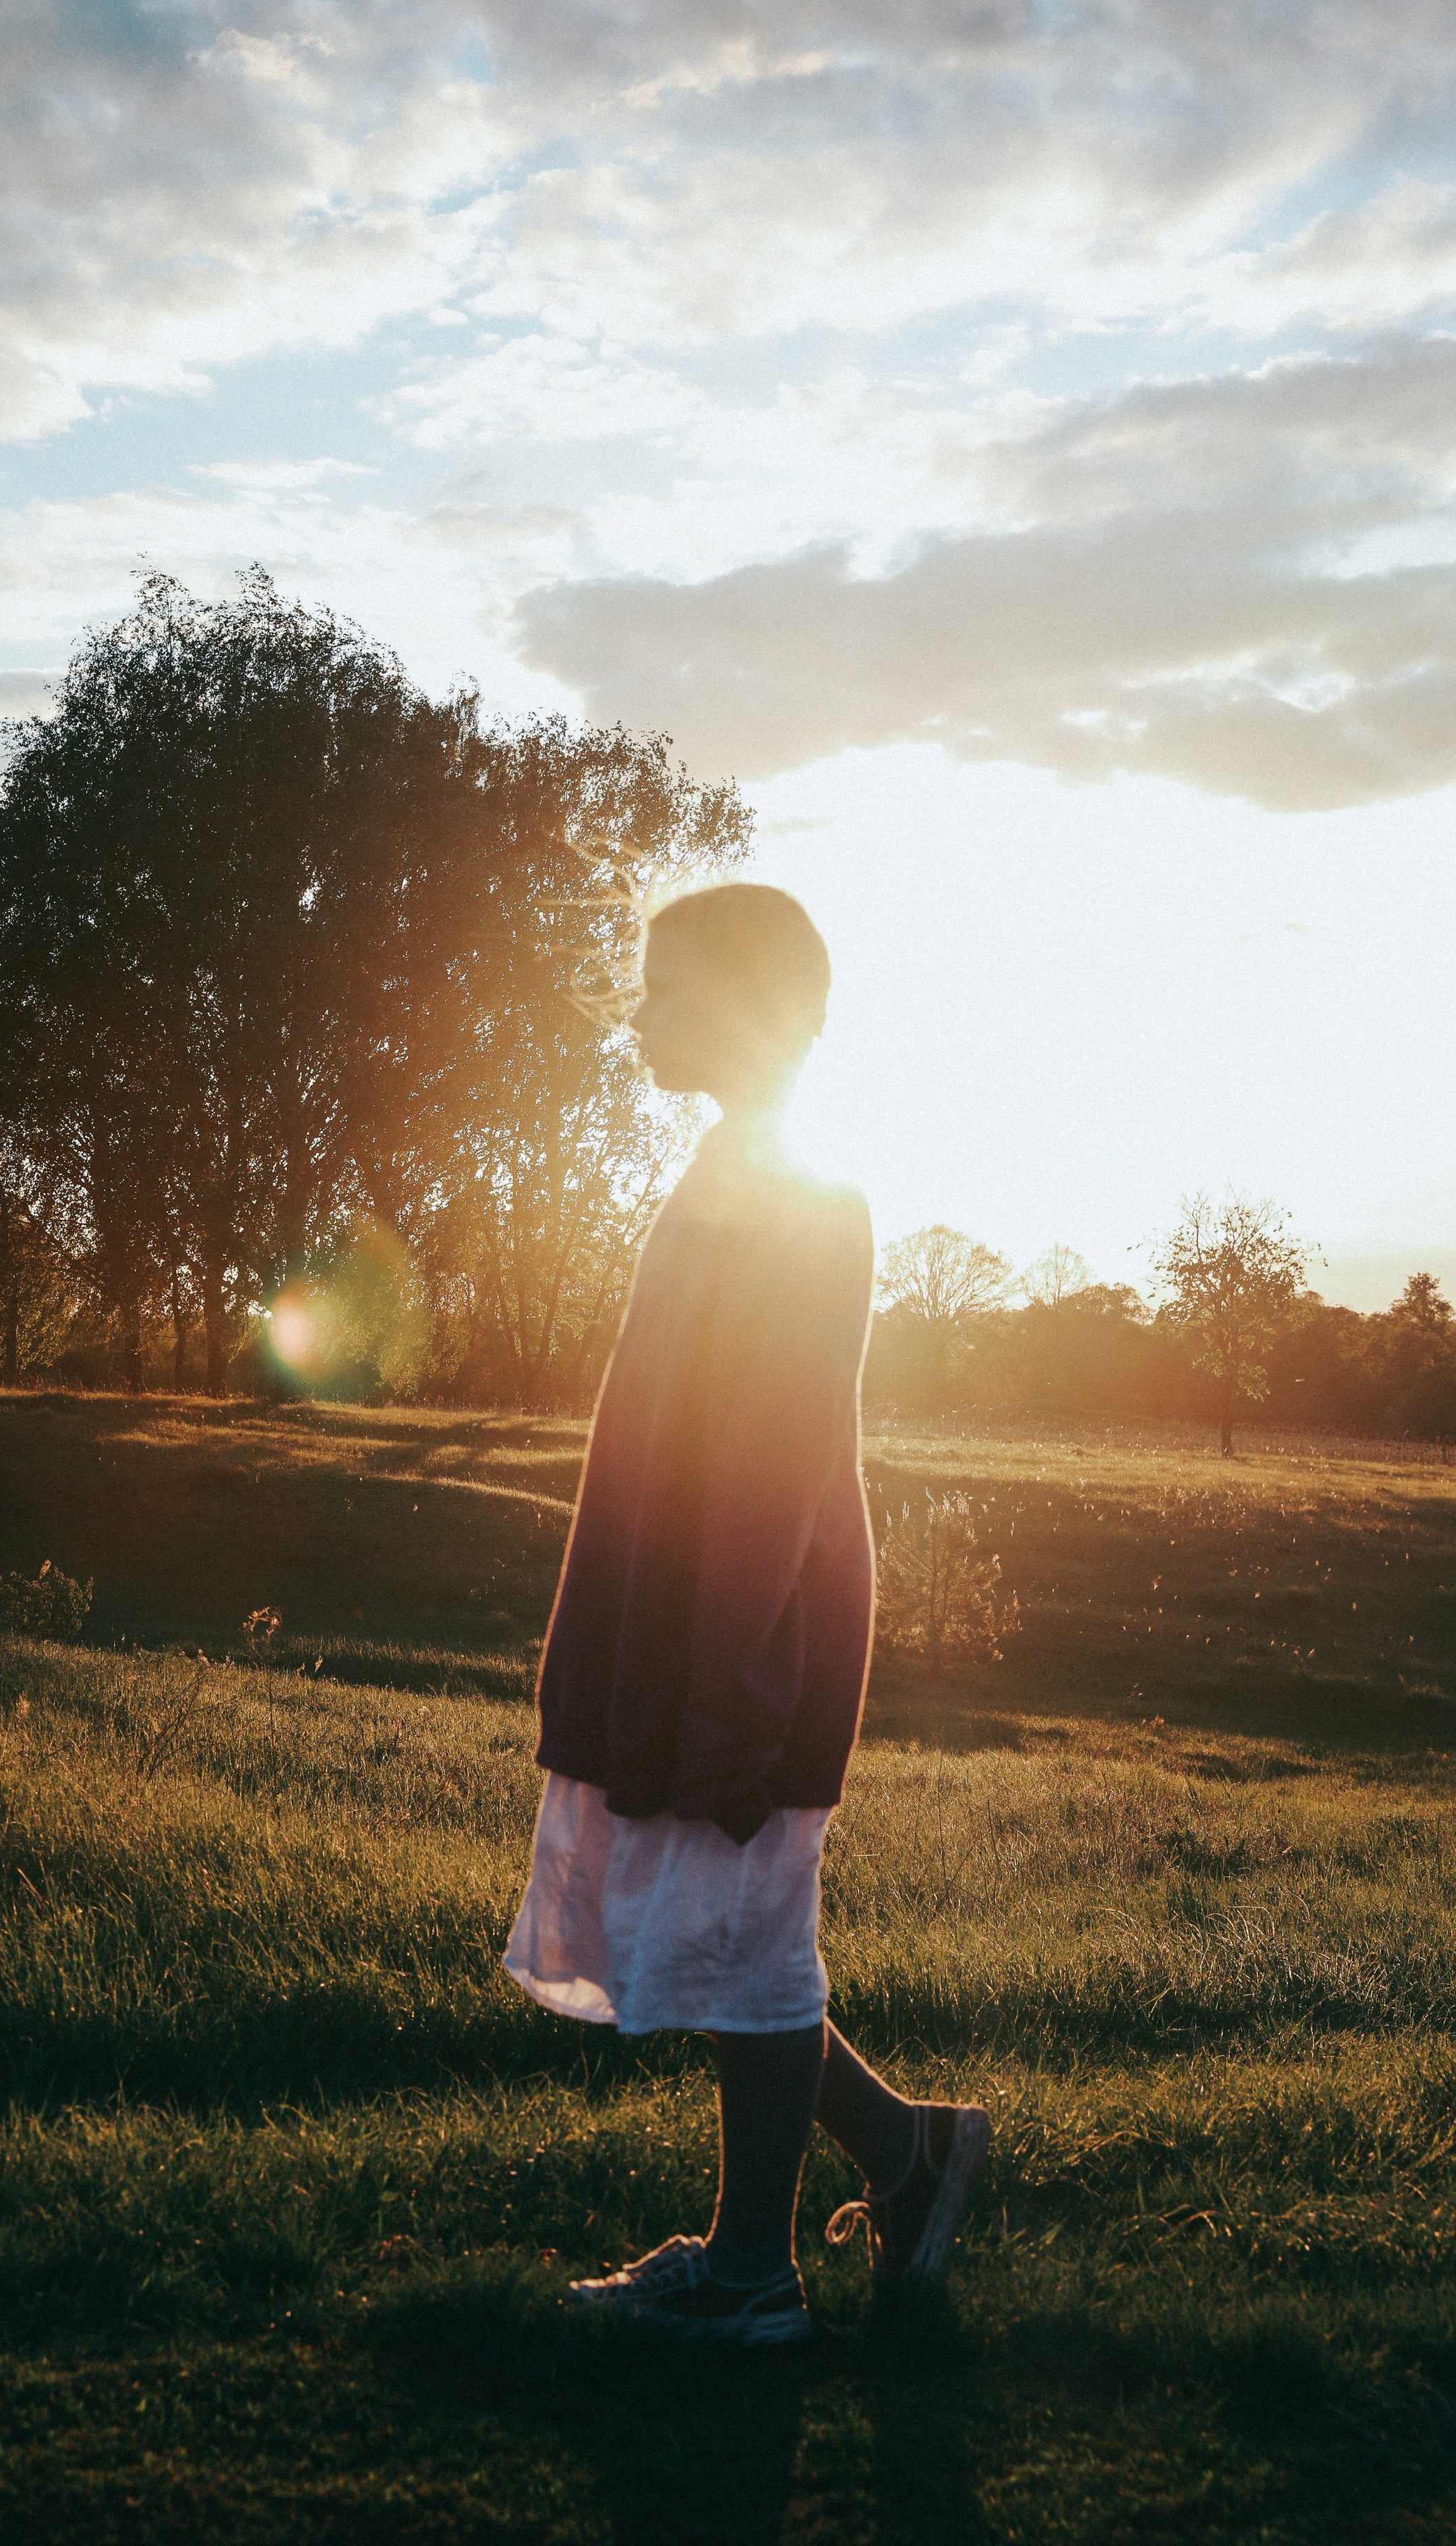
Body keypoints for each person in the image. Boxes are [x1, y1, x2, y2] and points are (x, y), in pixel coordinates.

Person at [503, 880, 989, 2346]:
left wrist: (730, 1693)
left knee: (748, 1950)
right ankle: (911, 2154)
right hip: (683, 1644)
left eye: (662, 985)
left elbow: (772, 1465)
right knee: (716, 1943)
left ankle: (750, 2278)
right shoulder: (733, 1170)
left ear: (740, 1005)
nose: (636, 1011)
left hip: (742, 1653)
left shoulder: (800, 1195)